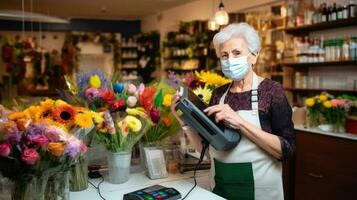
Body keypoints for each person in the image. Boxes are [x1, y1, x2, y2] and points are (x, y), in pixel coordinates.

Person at [170, 23, 295, 200]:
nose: (230, 60)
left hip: (260, 191)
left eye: (237, 53)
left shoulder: (271, 91)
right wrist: (184, 120)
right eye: (224, 55)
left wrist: (239, 122)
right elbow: (206, 150)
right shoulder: (218, 94)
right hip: (221, 188)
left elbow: (286, 150)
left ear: (254, 56)